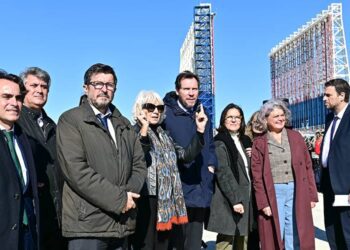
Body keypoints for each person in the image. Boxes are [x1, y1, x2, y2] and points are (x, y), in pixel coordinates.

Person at [56, 63, 147, 250]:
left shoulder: (124, 124)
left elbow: (139, 164)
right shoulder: (71, 120)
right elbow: (76, 170)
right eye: (98, 84)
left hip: (121, 222)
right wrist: (119, 199)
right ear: (86, 88)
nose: (104, 89)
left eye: (110, 85)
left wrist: (128, 197)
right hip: (87, 224)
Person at [130, 90, 207, 249]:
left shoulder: (164, 134)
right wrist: (144, 130)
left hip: (166, 200)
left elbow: (185, 155)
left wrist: (200, 132)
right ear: (139, 109)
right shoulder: (133, 132)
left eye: (159, 107)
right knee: (145, 244)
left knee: (163, 245)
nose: (156, 111)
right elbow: (136, 159)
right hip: (146, 198)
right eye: (150, 107)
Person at [251, 99, 318, 250]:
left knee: (295, 230)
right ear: (265, 119)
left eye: (282, 115)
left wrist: (311, 195)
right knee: (275, 231)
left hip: (296, 189)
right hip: (273, 192)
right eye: (276, 116)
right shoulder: (260, 142)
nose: (281, 119)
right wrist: (263, 203)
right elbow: (257, 177)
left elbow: (308, 167)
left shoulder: (296, 137)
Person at [163, 70, 217, 250]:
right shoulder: (167, 115)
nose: (191, 93)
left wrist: (211, 166)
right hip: (179, 189)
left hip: (201, 186)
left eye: (195, 89)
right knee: (177, 242)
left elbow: (210, 147)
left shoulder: (203, 112)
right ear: (177, 90)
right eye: (187, 89)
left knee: (194, 241)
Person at [18, 67, 65, 250]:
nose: (40, 90)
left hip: (56, 210)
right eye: (34, 85)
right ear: (23, 89)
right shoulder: (16, 122)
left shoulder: (52, 125)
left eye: (44, 86)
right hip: (31, 209)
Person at [0, 71, 40, 250]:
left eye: (18, 98)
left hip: (27, 235)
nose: (14, 103)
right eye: (6, 96)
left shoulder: (25, 140)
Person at [207, 103, 256, 250]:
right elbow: (223, 173)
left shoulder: (243, 141)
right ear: (223, 120)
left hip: (245, 198)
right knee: (226, 242)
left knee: (243, 241)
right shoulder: (219, 142)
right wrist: (235, 200)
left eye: (237, 117)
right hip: (228, 199)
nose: (234, 120)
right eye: (230, 117)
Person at [320, 78, 350, 249]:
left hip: (346, 189)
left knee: (347, 232)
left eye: (328, 95)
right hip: (330, 186)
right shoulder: (330, 118)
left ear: (342, 96)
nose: (324, 98)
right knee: (333, 231)